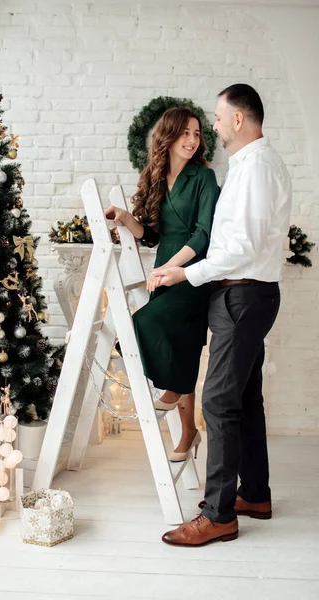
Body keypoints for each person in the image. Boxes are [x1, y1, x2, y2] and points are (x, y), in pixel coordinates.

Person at [151, 84, 292, 547]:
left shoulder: (256, 169)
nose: (211, 126)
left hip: (242, 297)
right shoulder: (250, 165)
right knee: (245, 398)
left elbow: (242, 248)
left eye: (216, 116)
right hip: (246, 296)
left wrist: (186, 274)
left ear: (237, 119)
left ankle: (218, 515)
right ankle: (253, 494)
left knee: (216, 402)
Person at [105, 107, 218, 462]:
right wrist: (126, 220)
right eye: (185, 133)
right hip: (163, 269)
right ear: (167, 137)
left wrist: (172, 268)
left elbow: (203, 235)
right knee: (179, 348)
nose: (191, 140)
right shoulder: (155, 176)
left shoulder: (204, 177)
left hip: (191, 272)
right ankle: (188, 431)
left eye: (196, 134)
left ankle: (173, 388)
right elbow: (152, 236)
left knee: (146, 323)